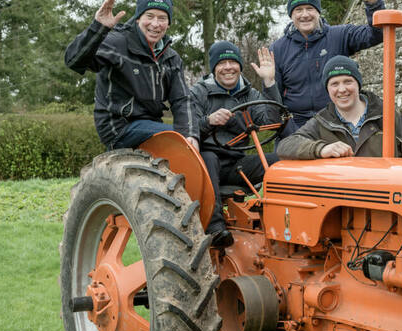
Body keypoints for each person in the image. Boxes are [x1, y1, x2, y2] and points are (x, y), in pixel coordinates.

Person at [65, 0, 198, 151]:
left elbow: (182, 99)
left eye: (162, 18)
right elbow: (73, 61)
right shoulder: (117, 42)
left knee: (191, 140)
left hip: (151, 124)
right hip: (119, 126)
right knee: (174, 137)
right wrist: (98, 27)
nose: (155, 24)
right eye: (149, 16)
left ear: (168, 24)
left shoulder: (171, 59)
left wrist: (190, 134)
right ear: (138, 18)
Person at [190, 41, 283, 247]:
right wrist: (208, 121)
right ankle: (215, 228)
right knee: (210, 157)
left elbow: (271, 122)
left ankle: (283, 221)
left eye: (233, 62)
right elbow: (186, 127)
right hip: (205, 164)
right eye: (222, 63)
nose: (228, 67)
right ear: (214, 68)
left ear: (240, 66)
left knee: (281, 161)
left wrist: (269, 82)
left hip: (236, 164)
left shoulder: (250, 94)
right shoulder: (199, 92)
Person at [271, 0, 386, 138]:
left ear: (318, 12)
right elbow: (274, 100)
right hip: (295, 128)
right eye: (298, 10)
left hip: (337, 124)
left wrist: (374, 5)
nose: (305, 14)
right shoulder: (277, 49)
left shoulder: (340, 35)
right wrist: (289, 131)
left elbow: (376, 34)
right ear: (291, 14)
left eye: (310, 8)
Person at [277, 55, 402, 160]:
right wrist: (321, 149)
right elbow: (285, 146)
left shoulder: (386, 115)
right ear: (327, 89)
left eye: (348, 81)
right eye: (334, 84)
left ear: (358, 84)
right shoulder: (322, 121)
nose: (342, 89)